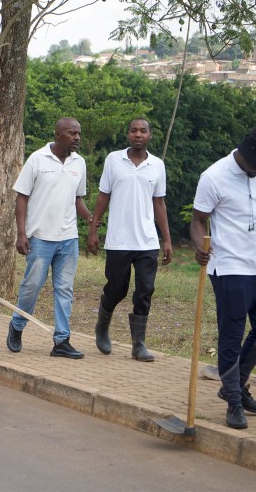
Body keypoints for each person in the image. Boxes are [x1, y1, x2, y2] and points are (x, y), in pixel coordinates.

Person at [191, 126, 256, 429]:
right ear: (245, 155)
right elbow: (198, 220)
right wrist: (198, 246)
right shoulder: (214, 177)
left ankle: (236, 383)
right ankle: (233, 401)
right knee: (230, 338)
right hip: (229, 269)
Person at [6, 118, 92, 359]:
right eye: (72, 133)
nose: (77, 137)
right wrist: (22, 234)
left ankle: (62, 340)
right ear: (58, 134)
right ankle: (17, 325)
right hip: (41, 237)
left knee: (64, 289)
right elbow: (21, 197)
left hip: (68, 239)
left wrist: (90, 218)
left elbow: (77, 198)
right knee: (31, 287)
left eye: (79, 133)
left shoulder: (79, 163)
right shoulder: (37, 159)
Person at [88, 118, 172, 362]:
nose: (138, 134)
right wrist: (93, 230)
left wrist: (166, 239)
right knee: (116, 289)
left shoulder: (157, 165)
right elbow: (104, 196)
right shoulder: (114, 160)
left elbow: (159, 203)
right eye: (133, 130)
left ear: (150, 135)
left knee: (145, 290)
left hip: (147, 241)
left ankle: (139, 344)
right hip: (119, 240)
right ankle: (102, 326)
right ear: (128, 134)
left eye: (143, 131)